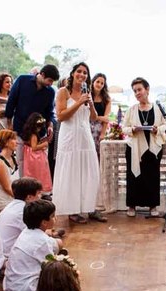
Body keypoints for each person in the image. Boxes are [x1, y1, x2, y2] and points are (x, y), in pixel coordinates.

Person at [53, 62, 104, 226]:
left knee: (89, 171)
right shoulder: (63, 91)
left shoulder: (86, 92)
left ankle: (89, 206)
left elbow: (94, 118)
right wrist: (78, 102)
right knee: (71, 172)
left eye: (85, 73)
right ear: (73, 73)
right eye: (79, 71)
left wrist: (91, 104)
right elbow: (61, 116)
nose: (82, 75)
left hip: (85, 136)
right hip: (69, 136)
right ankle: (72, 210)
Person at [4, 199, 63, 291]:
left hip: (11, 286)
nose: (56, 218)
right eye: (53, 216)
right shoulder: (42, 241)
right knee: (62, 280)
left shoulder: (26, 231)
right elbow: (50, 268)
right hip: (25, 290)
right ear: (44, 222)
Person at [6, 64, 59, 170]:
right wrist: (9, 125)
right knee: (21, 162)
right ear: (42, 74)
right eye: (49, 80)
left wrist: (50, 125)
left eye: (53, 82)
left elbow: (49, 112)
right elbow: (11, 102)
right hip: (20, 129)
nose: (50, 84)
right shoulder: (22, 80)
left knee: (39, 163)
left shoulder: (50, 91)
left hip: (40, 133)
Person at [124, 77, 165, 216]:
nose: (137, 93)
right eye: (135, 91)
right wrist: (132, 129)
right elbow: (124, 128)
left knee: (152, 176)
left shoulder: (158, 108)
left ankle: (152, 206)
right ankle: (132, 206)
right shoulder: (131, 109)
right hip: (135, 147)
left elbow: (165, 125)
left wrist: (157, 129)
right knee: (133, 176)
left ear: (147, 89)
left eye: (139, 89)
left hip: (153, 147)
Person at [0, 177, 44, 273]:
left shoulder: (13, 205)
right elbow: (34, 236)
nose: (41, 196)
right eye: (39, 193)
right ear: (29, 197)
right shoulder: (23, 211)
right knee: (55, 244)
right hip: (6, 256)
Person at [19, 113, 53, 193]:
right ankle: (41, 189)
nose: (40, 129)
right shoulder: (33, 135)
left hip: (28, 155)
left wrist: (42, 141)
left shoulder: (28, 133)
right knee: (39, 173)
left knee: (30, 173)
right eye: (39, 127)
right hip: (35, 157)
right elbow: (34, 147)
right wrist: (44, 144)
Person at [0, 129, 19, 210]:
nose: (17, 142)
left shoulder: (14, 158)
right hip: (3, 200)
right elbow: (7, 188)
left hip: (12, 197)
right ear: (6, 142)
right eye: (13, 139)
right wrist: (22, 199)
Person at [90, 73, 112, 154]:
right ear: (93, 82)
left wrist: (102, 134)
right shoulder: (87, 96)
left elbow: (106, 119)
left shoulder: (107, 99)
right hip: (86, 126)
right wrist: (100, 117)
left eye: (102, 83)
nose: (99, 84)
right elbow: (85, 116)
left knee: (98, 153)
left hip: (100, 128)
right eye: (98, 82)